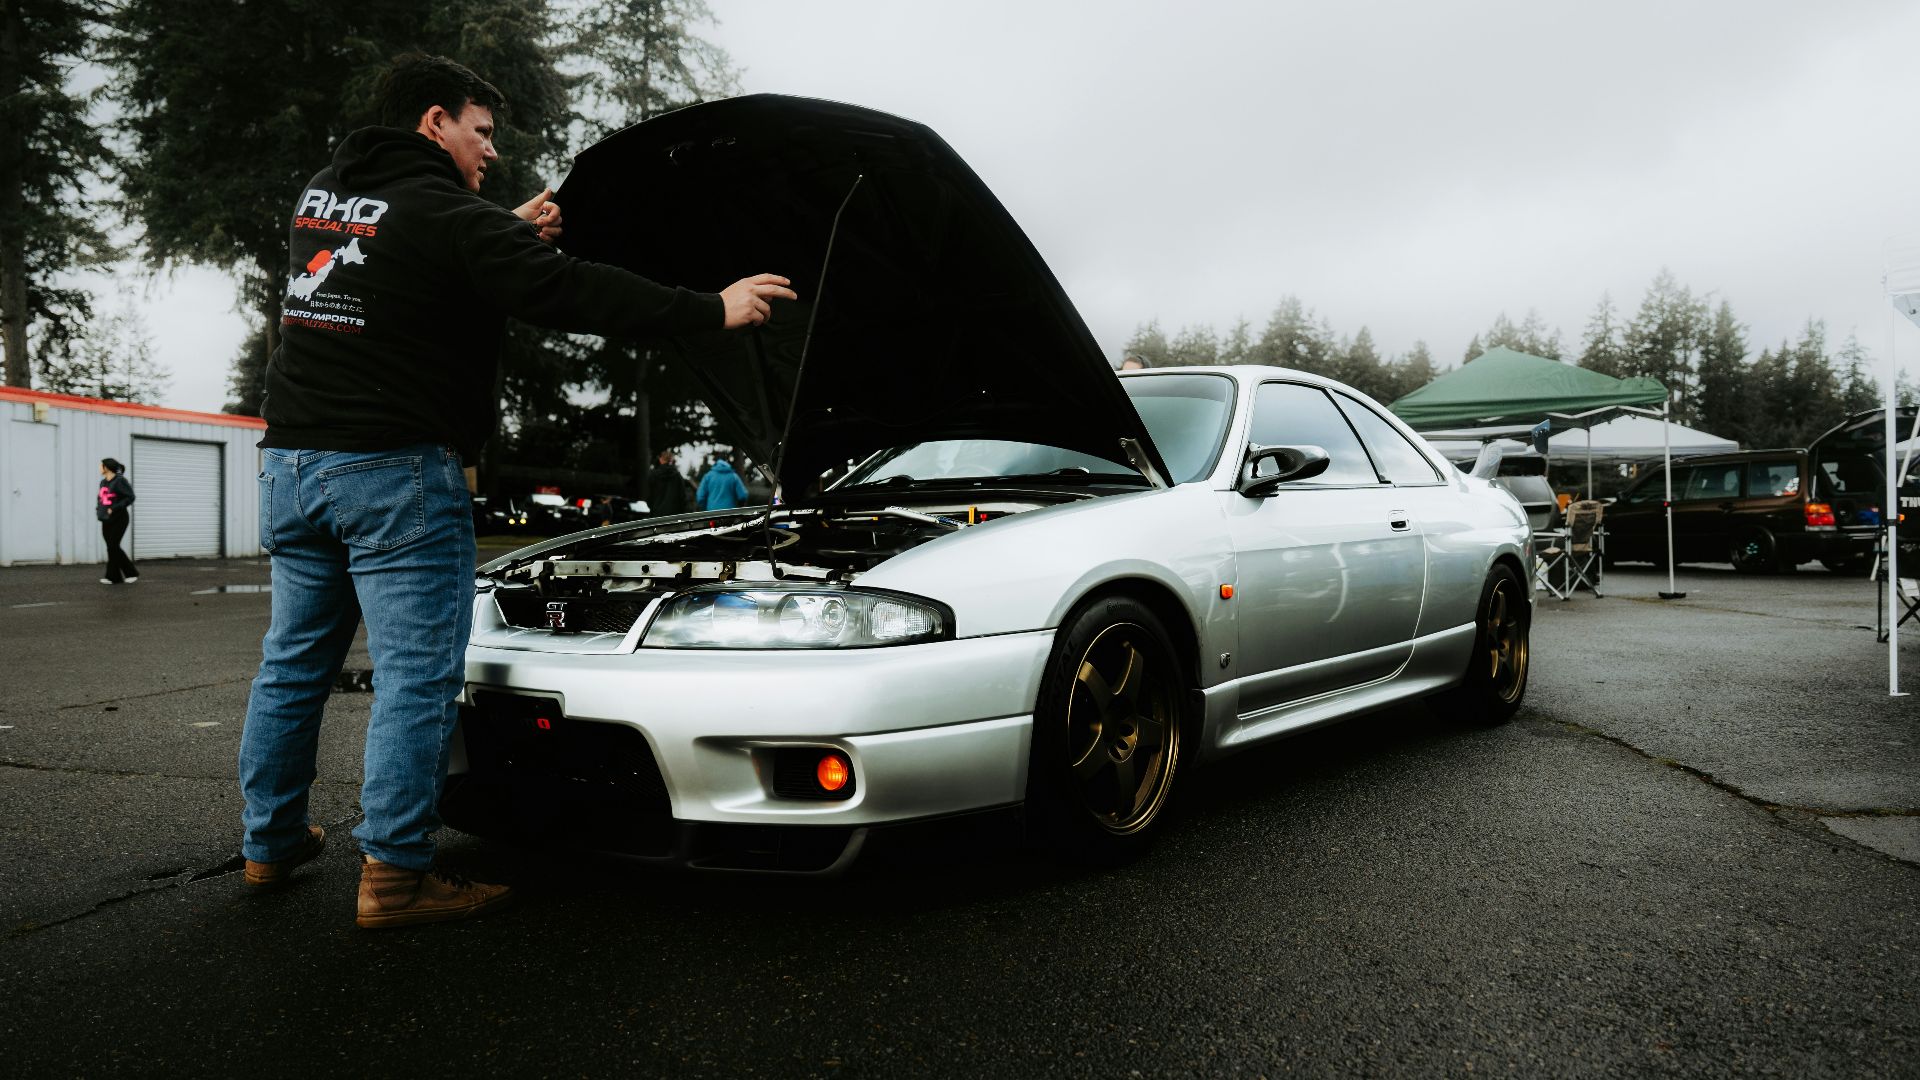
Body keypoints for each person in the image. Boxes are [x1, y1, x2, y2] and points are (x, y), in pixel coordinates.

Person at [236, 53, 796, 929]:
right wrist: (709, 307)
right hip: (390, 471)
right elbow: (568, 288)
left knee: (291, 665)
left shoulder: (325, 193)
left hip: (292, 464)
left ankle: (268, 847)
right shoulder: (451, 214)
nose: (490, 149)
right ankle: (395, 876)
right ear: (434, 123)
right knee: (417, 680)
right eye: (481, 130)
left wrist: (496, 227)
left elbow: (410, 264)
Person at [96, 458, 137, 585]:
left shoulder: (120, 481)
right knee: (111, 547)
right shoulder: (103, 482)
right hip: (106, 519)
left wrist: (114, 508)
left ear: (107, 467)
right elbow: (101, 499)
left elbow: (130, 497)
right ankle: (115, 577)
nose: (99, 468)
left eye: (101, 465)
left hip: (119, 518)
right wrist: (100, 511)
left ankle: (130, 573)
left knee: (113, 546)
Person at [644, 448, 690, 517]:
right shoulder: (677, 476)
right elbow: (682, 497)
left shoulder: (653, 475)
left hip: (657, 515)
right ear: (671, 460)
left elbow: (648, 496)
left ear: (660, 459)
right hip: (674, 516)